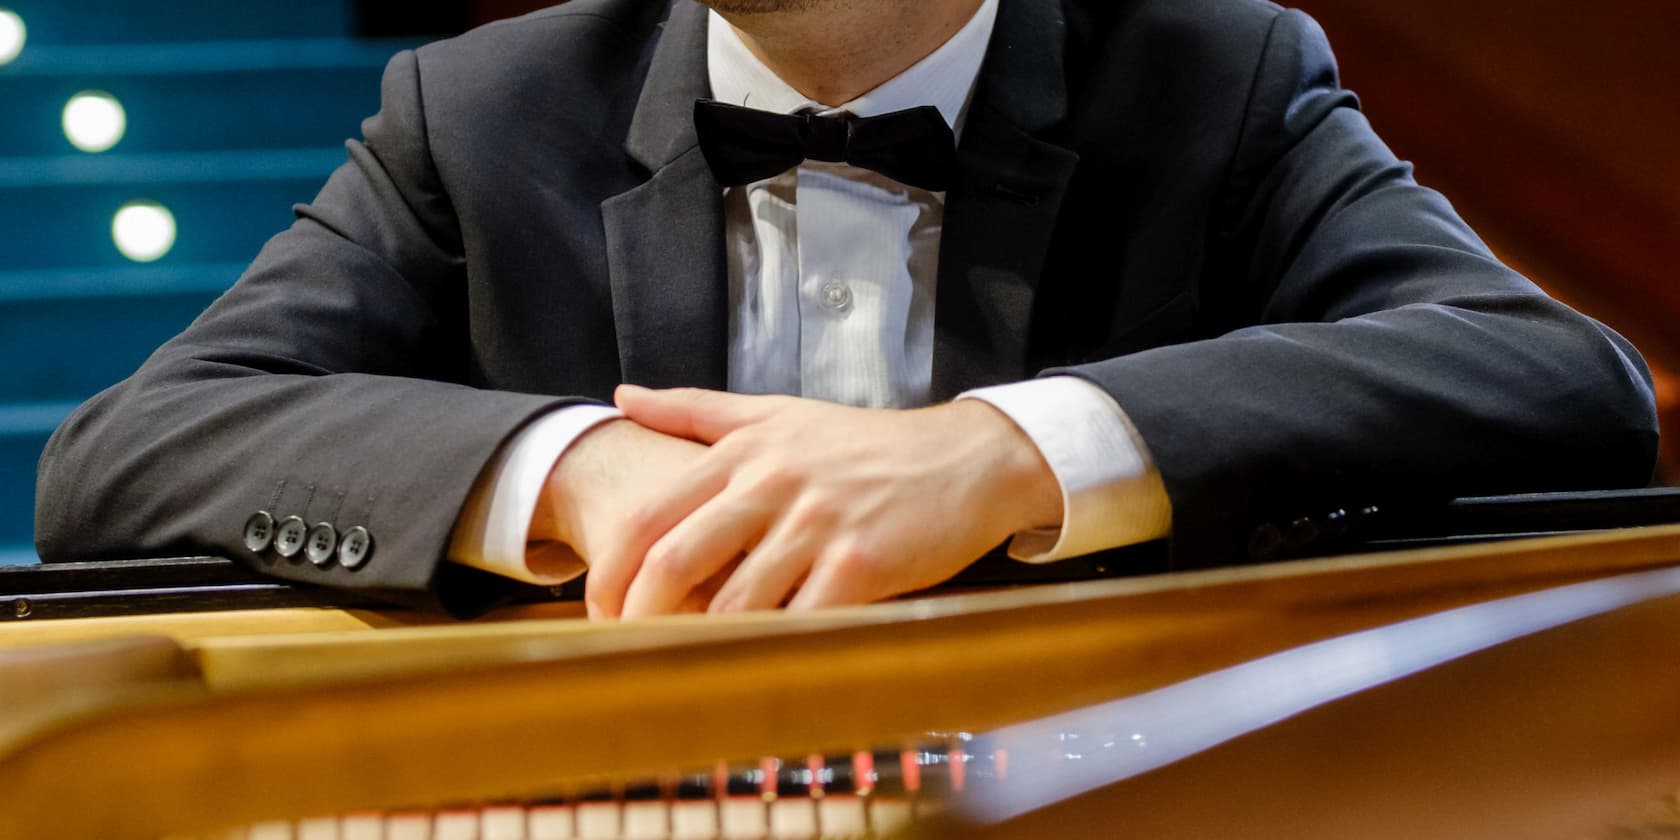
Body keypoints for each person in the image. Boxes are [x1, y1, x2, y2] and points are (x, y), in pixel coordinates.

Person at [33, 0, 1659, 618]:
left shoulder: (1217, 71)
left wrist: (1010, 454)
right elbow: (126, 451)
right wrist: (570, 470)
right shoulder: (477, 108)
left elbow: (1554, 376)